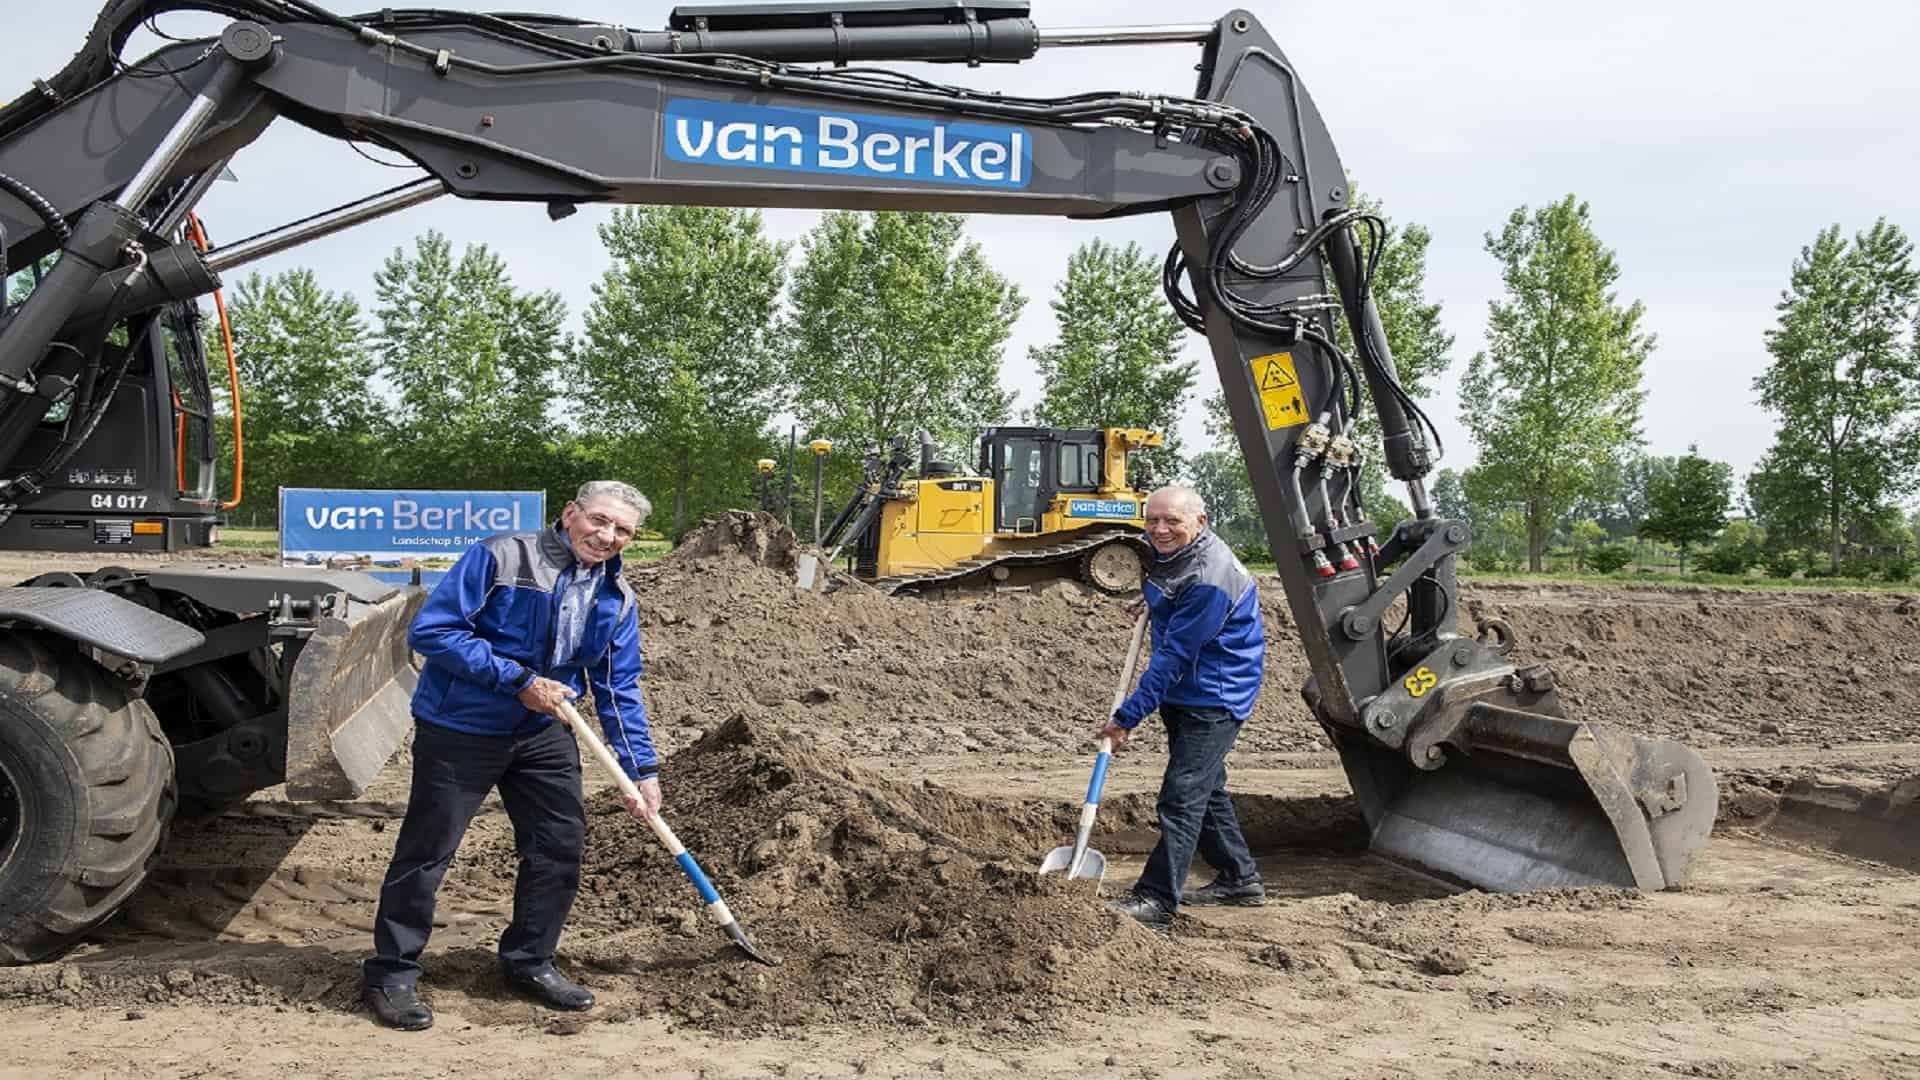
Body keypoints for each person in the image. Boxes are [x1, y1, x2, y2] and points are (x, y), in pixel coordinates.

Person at [361, 481, 663, 1031]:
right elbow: (434, 632)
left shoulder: (615, 597)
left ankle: (528, 961)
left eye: (623, 531)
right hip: (462, 725)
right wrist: (517, 680)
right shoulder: (503, 556)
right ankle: (392, 972)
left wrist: (639, 769)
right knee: (428, 850)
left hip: (544, 732)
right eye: (599, 520)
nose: (608, 535)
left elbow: (619, 687)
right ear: (571, 514)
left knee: (558, 848)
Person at [1100, 485, 1266, 930]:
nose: (1160, 528)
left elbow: (1173, 658)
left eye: (1172, 520)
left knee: (1182, 796)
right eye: (1152, 520)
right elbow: (1168, 586)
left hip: (1214, 694)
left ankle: (1156, 901)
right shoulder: (1174, 552)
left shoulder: (1211, 578)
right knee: (1206, 790)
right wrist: (1150, 601)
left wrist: (1125, 718)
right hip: (1191, 688)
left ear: (1200, 522)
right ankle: (1239, 879)